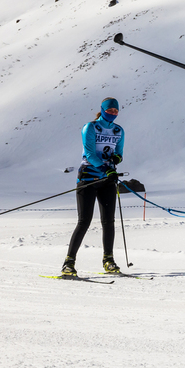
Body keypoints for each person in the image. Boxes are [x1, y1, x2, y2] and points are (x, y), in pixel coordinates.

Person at [60, 97, 124, 278]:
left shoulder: (119, 130)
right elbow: (89, 153)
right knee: (84, 221)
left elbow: (119, 152)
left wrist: (117, 159)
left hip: (107, 180)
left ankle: (108, 261)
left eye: (115, 111)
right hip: (88, 178)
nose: (113, 113)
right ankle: (68, 263)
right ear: (103, 110)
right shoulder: (91, 127)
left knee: (108, 222)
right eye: (110, 110)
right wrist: (105, 168)